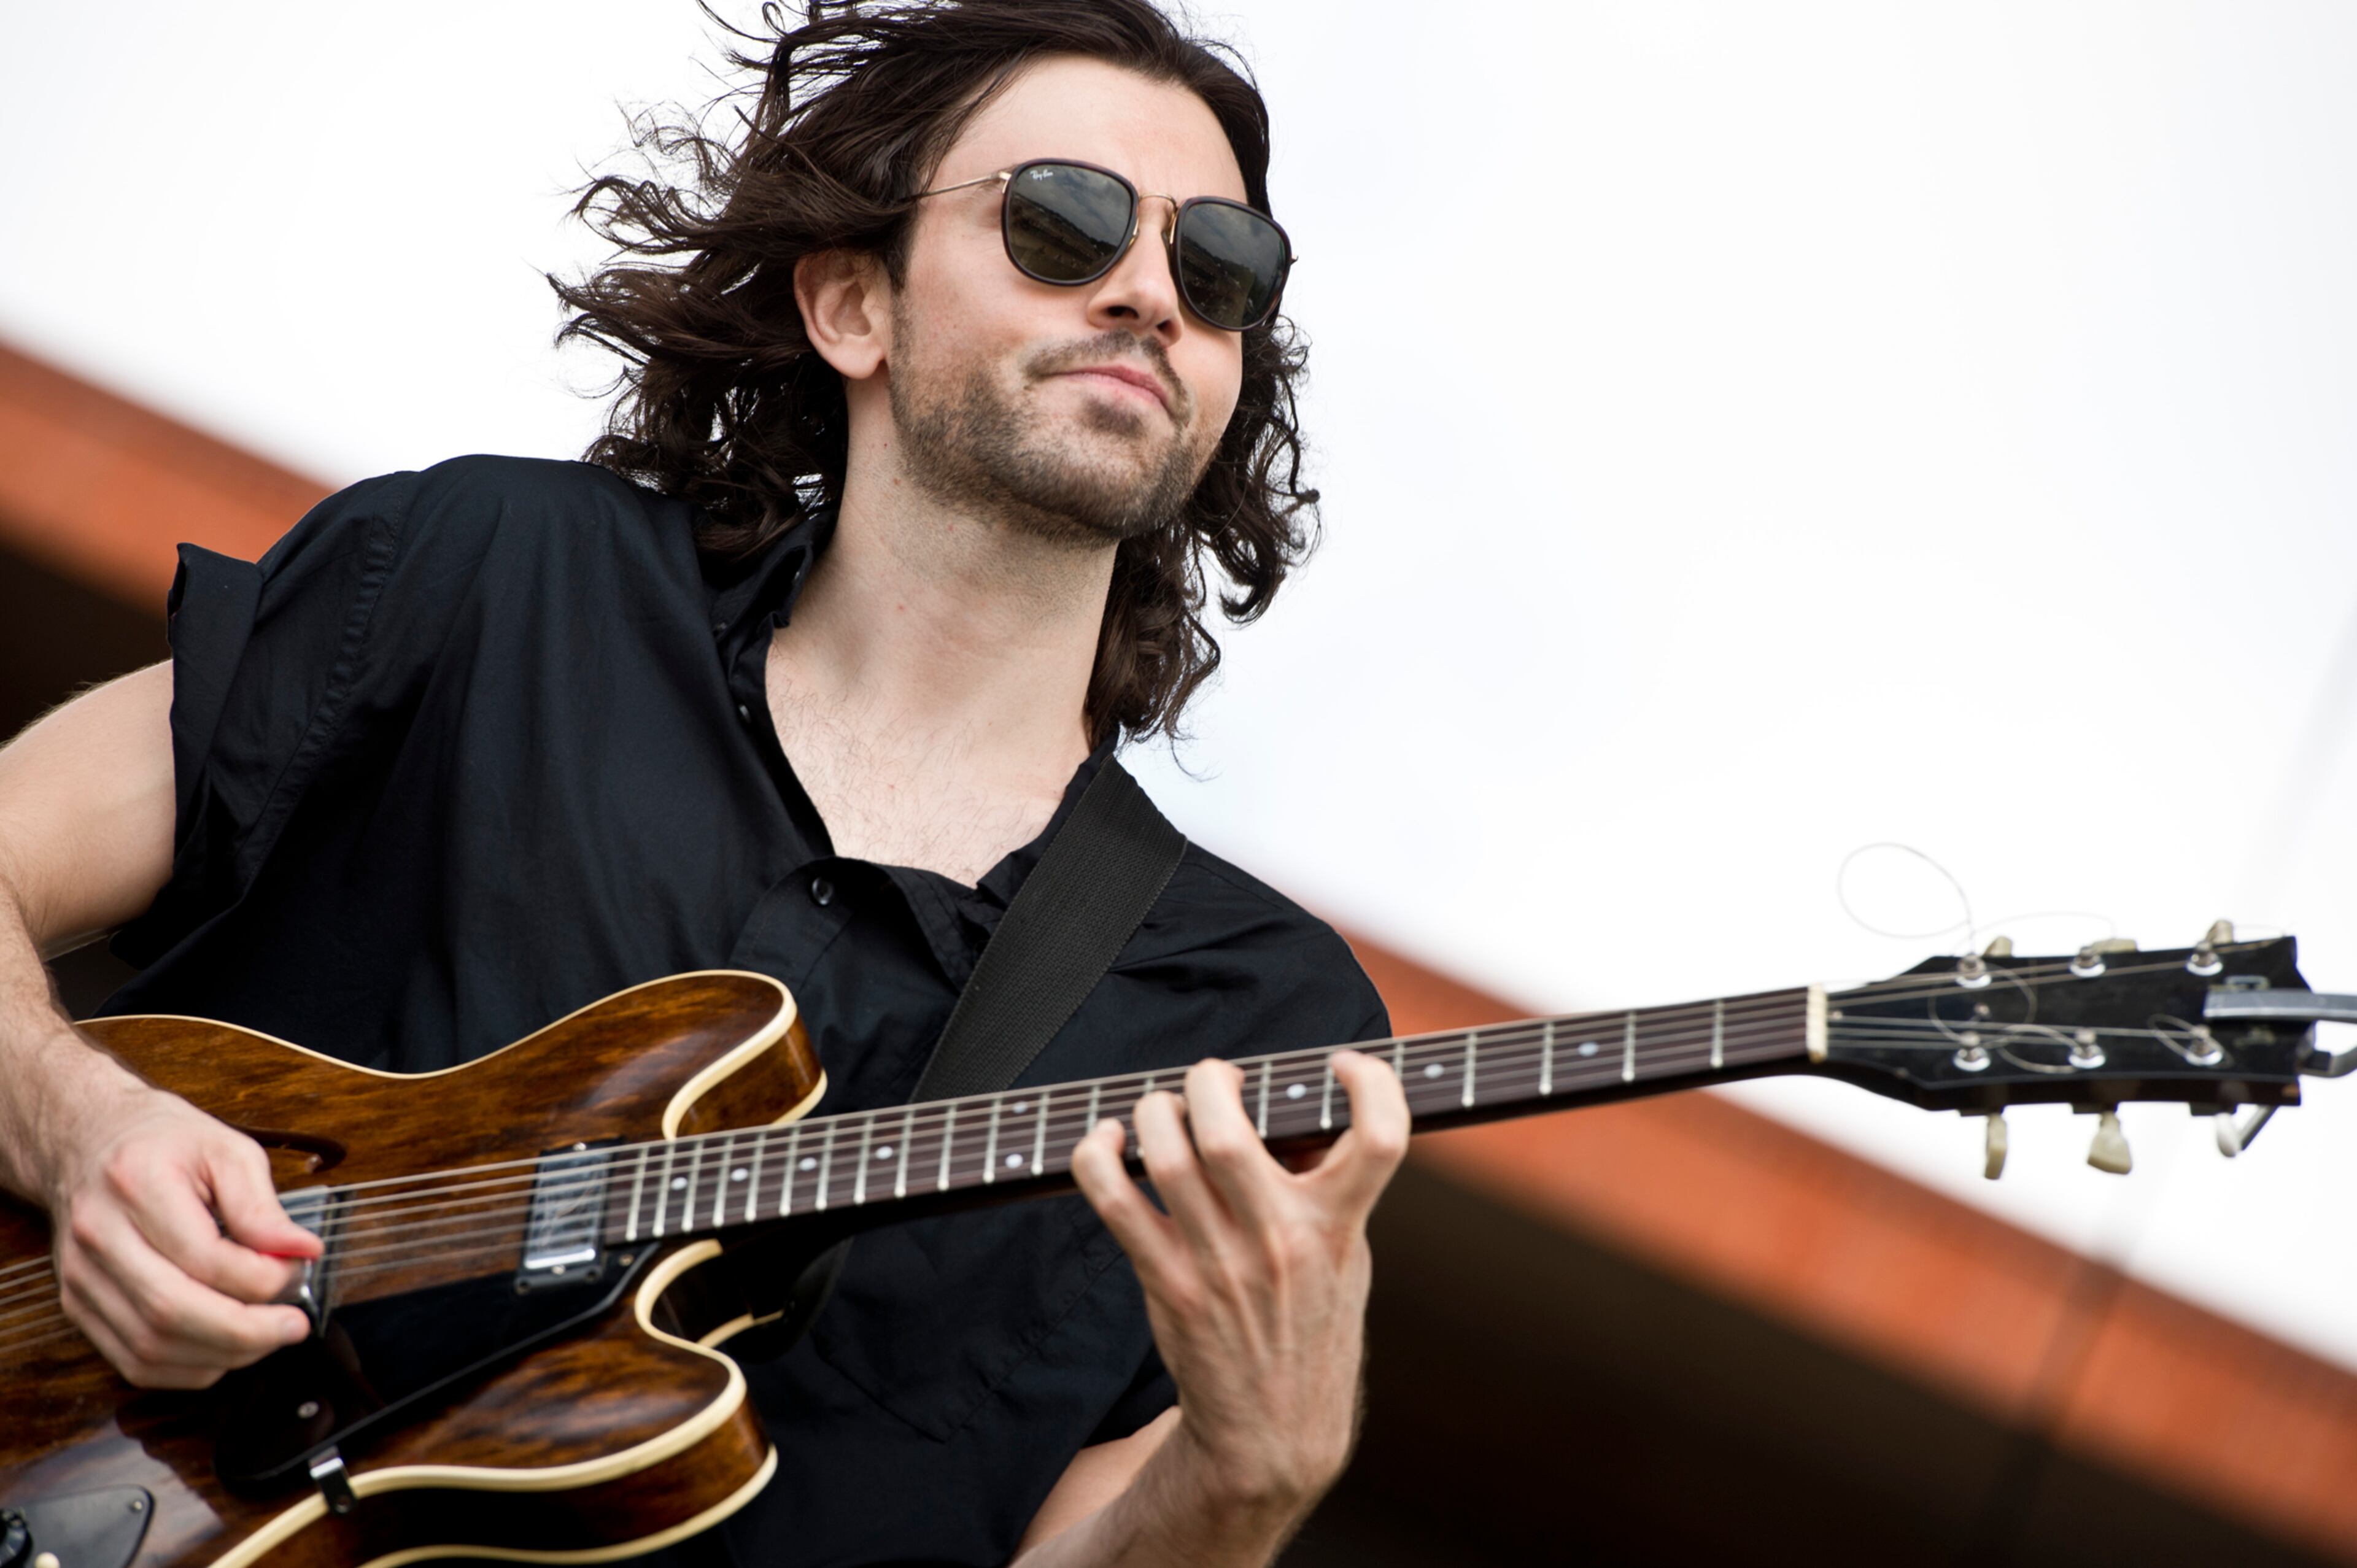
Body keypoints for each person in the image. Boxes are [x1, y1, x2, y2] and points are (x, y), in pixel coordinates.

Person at [0, 2, 1411, 1565]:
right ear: (850, 305)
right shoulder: (491, 585)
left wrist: (1246, 1475)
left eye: (1219, 268)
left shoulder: (1258, 1026)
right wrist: (80, 1127)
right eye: (1062, 222)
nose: (1150, 290)